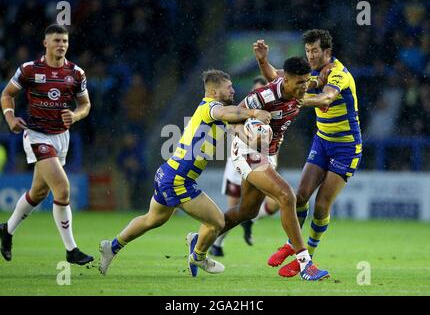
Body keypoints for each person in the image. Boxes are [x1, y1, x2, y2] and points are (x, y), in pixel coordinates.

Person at [98, 69, 271, 277]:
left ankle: (112, 247)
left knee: (152, 219)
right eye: (229, 87)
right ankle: (198, 254)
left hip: (168, 172)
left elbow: (236, 128)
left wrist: (256, 138)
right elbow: (226, 114)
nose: (233, 90)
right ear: (215, 91)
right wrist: (253, 113)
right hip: (179, 179)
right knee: (217, 221)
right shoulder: (211, 107)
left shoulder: (219, 113)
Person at [209, 57, 330, 281]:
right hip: (247, 151)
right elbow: (233, 117)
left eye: (306, 81)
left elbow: (313, 86)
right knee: (286, 196)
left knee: (247, 211)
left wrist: (321, 85)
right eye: (299, 83)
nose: (303, 87)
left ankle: (202, 237)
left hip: (267, 154)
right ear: (285, 80)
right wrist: (246, 133)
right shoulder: (264, 96)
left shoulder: (301, 90)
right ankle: (306, 264)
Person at [255, 29, 362, 277]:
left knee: (322, 205)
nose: (311, 56)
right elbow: (277, 78)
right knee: (300, 195)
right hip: (322, 142)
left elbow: (327, 98)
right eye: (307, 51)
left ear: (327, 51)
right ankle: (293, 246)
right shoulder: (310, 73)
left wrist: (298, 99)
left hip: (346, 147)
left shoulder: (340, 74)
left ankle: (307, 256)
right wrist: (262, 60)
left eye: (315, 51)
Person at [0, 24, 93, 265]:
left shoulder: (76, 73)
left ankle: (6, 230)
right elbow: (6, 94)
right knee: (62, 188)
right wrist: (10, 118)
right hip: (36, 135)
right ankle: (71, 250)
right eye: (56, 40)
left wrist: (75, 116)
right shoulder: (30, 70)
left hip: (62, 137)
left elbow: (85, 105)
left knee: (39, 192)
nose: (61, 44)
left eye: (64, 41)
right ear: (46, 43)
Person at [210, 76, 268, 256]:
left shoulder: (272, 111)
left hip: (262, 162)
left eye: (262, 90)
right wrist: (249, 140)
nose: (258, 94)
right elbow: (234, 126)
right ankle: (217, 242)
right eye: (256, 91)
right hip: (239, 161)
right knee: (235, 209)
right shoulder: (246, 108)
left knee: (274, 203)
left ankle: (251, 219)